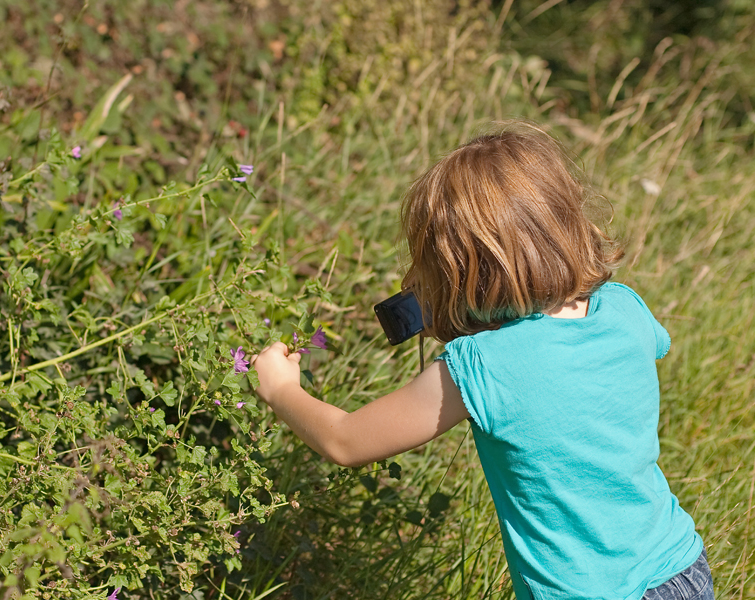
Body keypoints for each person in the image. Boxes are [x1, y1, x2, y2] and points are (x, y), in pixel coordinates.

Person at [251, 122, 712, 600]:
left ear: (461, 273)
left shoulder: (482, 366)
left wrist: (281, 390)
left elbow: (344, 441)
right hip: (683, 568)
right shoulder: (624, 307)